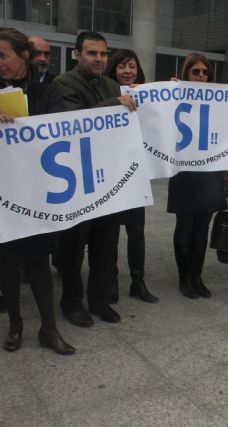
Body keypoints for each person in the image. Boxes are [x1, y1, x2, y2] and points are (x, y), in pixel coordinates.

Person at [53, 31, 137, 327]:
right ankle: (72, 303)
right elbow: (72, 122)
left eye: (103, 53)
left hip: (108, 180)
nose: (99, 59)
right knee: (73, 248)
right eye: (92, 53)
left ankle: (99, 300)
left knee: (106, 246)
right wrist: (113, 103)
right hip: (77, 181)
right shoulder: (63, 84)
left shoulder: (112, 83)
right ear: (77, 55)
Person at [0, 27, 74, 354]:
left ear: (24, 56)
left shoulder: (48, 91)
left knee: (40, 260)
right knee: (7, 262)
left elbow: (61, 129)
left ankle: (49, 328)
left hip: (36, 192)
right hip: (3, 193)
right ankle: (15, 324)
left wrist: (23, 124)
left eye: (3, 56)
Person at [168, 53, 228, 298]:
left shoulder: (220, 102)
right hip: (183, 173)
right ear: (186, 73)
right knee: (185, 227)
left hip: (209, 174)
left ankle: (196, 275)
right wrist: (170, 91)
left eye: (205, 72)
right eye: (196, 71)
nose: (201, 76)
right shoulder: (174, 95)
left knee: (202, 228)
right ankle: (184, 276)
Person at [104, 49, 158, 303]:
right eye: (122, 66)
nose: (128, 71)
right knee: (111, 233)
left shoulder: (146, 94)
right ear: (113, 69)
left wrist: (172, 90)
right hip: (113, 175)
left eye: (132, 66)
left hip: (138, 174)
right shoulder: (105, 93)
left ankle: (138, 281)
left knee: (137, 231)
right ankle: (111, 280)